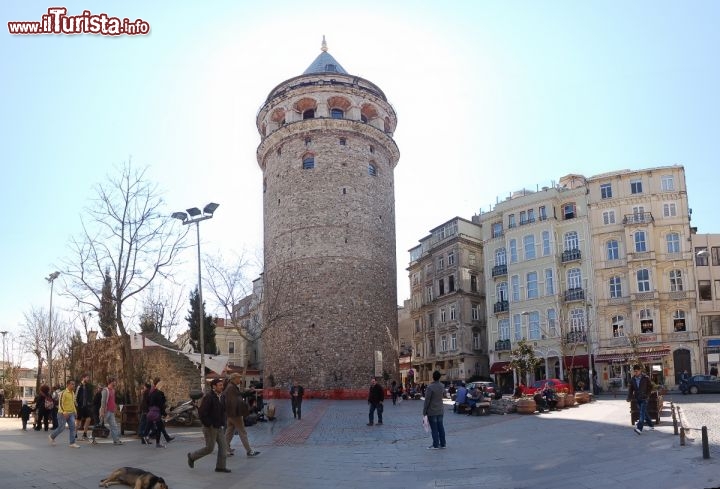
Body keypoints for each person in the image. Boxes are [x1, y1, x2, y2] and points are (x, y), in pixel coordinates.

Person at [187, 377, 231, 473]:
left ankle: (220, 467)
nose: (222, 387)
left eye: (222, 385)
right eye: (220, 385)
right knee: (209, 448)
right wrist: (209, 424)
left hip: (218, 426)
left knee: (223, 447)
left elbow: (222, 411)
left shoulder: (221, 396)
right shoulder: (209, 397)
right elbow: (202, 413)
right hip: (210, 427)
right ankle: (192, 456)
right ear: (213, 386)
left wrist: (222, 422)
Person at [224, 372, 260, 458]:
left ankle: (224, 449)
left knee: (229, 432)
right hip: (235, 414)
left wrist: (249, 392)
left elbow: (239, 395)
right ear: (234, 379)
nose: (239, 380)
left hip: (231, 414)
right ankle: (249, 451)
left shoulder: (231, 387)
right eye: (238, 378)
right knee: (242, 432)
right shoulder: (231, 387)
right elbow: (236, 400)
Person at [48, 379, 80, 448]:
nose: (73, 385)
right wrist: (64, 412)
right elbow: (60, 404)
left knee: (73, 427)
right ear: (68, 385)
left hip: (71, 413)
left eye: (74, 384)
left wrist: (75, 411)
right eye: (72, 384)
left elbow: (72, 403)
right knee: (61, 428)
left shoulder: (72, 393)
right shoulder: (63, 393)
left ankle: (72, 443)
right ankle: (51, 436)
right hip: (62, 414)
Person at [145, 378, 173, 448]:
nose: (163, 386)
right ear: (159, 385)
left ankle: (148, 437)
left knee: (156, 427)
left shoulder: (151, 392)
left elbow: (147, 401)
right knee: (159, 428)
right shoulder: (158, 394)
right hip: (156, 413)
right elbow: (161, 405)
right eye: (162, 385)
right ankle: (155, 441)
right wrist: (165, 415)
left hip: (150, 412)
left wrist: (150, 409)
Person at [627, 365, 654, 434]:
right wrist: (629, 397)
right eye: (634, 371)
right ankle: (651, 425)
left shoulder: (645, 378)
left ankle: (639, 428)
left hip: (644, 398)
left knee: (641, 413)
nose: (635, 373)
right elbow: (631, 390)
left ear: (640, 371)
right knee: (644, 412)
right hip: (637, 398)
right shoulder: (632, 379)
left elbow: (650, 387)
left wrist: (647, 395)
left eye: (636, 371)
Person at [423, 370, 446, 449]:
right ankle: (443, 444)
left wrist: (424, 411)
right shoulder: (442, 386)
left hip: (432, 410)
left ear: (433, 377)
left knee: (434, 428)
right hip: (440, 410)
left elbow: (427, 400)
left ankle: (435, 444)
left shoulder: (430, 387)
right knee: (441, 427)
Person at [100, 377, 123, 445]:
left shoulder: (113, 390)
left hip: (111, 411)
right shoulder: (105, 390)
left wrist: (115, 408)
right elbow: (103, 401)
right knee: (99, 425)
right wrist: (102, 411)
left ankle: (116, 440)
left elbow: (113, 401)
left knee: (114, 426)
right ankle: (92, 438)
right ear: (111, 382)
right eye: (114, 381)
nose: (115, 382)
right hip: (105, 411)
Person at [74, 374, 93, 441]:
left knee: (88, 419)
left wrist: (89, 402)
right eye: (87, 377)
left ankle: (85, 434)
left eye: (88, 377)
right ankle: (75, 434)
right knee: (78, 420)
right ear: (83, 378)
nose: (88, 379)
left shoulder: (87, 386)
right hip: (80, 406)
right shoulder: (79, 386)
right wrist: (77, 406)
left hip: (86, 407)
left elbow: (89, 396)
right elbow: (75, 397)